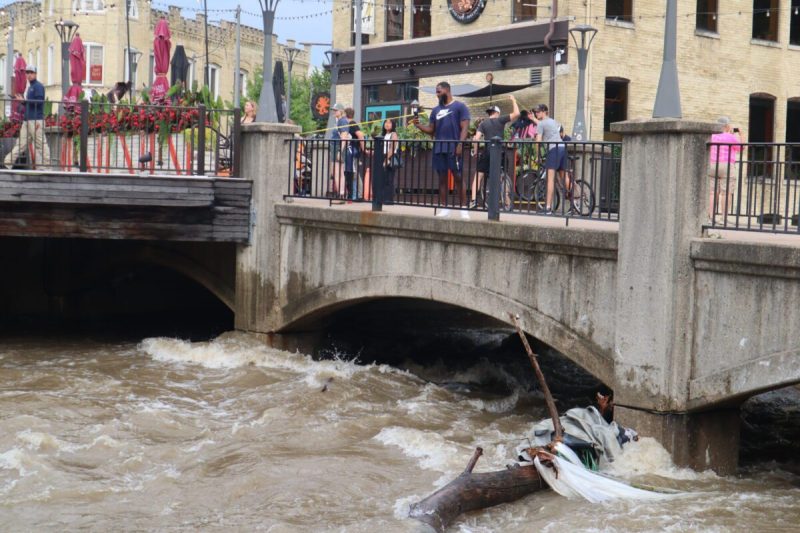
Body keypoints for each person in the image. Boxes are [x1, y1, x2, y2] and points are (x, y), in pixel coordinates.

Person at [413, 81, 471, 219]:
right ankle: (445, 208)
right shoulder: (435, 110)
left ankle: (463, 209)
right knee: (442, 179)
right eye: (436, 92)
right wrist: (418, 125)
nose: (437, 94)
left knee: (458, 177)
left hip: (454, 147)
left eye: (439, 91)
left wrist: (459, 144)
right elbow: (431, 130)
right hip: (439, 147)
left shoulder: (460, 106)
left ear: (447, 90)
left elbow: (465, 128)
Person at [470, 95, 520, 207]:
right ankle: (507, 202)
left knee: (478, 175)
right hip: (500, 152)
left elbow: (476, 139)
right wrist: (513, 100)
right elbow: (517, 113)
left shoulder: (483, 124)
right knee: (503, 176)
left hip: (487, 152)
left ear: (489, 113)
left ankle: (473, 200)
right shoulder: (501, 120)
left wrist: (475, 151)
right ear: (497, 113)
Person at [4, 66, 50, 170]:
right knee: (21, 143)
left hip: (36, 120)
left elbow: (39, 103)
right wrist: (23, 102)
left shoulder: (38, 86)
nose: (29, 74)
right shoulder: (30, 87)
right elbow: (30, 104)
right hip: (27, 120)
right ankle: (7, 163)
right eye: (27, 73)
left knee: (40, 144)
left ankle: (47, 166)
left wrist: (24, 101)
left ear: (35, 74)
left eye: (31, 72)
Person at [534, 104, 567, 214]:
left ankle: (547, 207)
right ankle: (576, 201)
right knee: (564, 177)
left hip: (554, 150)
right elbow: (562, 133)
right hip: (562, 147)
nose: (536, 113)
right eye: (536, 112)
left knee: (550, 179)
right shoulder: (553, 121)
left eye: (538, 112)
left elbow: (537, 141)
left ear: (544, 112)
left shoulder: (541, 124)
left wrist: (537, 156)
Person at [708, 117, 742, 220]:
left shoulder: (711, 136)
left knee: (712, 192)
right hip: (726, 165)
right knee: (726, 192)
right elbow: (740, 148)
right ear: (727, 126)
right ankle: (723, 218)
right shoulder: (730, 137)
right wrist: (740, 134)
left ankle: (710, 217)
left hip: (712, 164)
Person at [342, 107, 365, 200]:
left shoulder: (352, 123)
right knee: (352, 173)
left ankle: (358, 195)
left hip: (353, 151)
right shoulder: (348, 124)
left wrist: (363, 149)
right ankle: (355, 194)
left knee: (354, 173)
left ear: (345, 114)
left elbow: (360, 135)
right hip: (350, 151)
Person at [328, 103, 349, 198]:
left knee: (338, 172)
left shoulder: (342, 121)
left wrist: (340, 151)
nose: (334, 111)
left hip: (338, 147)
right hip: (336, 147)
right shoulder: (339, 121)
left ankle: (340, 194)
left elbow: (344, 136)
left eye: (335, 110)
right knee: (337, 172)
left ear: (340, 111)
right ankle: (341, 193)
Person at [381, 118, 399, 204]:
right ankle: (384, 198)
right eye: (386, 122)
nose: (387, 124)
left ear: (393, 125)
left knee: (389, 179)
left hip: (390, 157)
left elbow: (393, 147)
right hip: (384, 156)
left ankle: (389, 199)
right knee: (384, 179)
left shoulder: (393, 134)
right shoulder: (384, 135)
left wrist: (386, 159)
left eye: (389, 123)